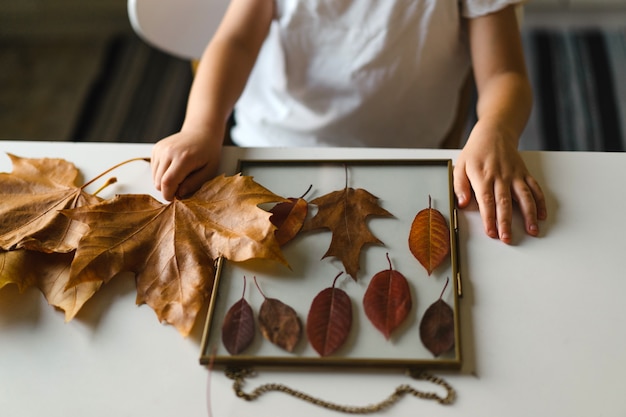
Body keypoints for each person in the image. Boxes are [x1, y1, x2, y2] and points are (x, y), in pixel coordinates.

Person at [151, 0, 548, 244]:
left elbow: (504, 75)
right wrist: (201, 127)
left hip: (405, 165)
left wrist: (497, 128)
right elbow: (234, 41)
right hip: (267, 150)